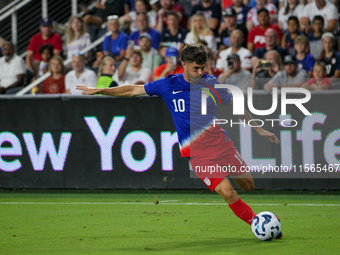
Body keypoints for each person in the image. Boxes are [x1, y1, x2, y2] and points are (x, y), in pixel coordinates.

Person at [76, 44, 282, 237]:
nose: (200, 72)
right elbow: (132, 90)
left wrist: (259, 129)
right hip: (199, 156)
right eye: (196, 68)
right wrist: (101, 90)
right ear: (183, 64)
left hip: (222, 145)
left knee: (249, 186)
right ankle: (259, 224)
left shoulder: (211, 83)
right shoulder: (168, 85)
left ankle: (260, 222)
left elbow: (234, 106)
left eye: (203, 68)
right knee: (229, 193)